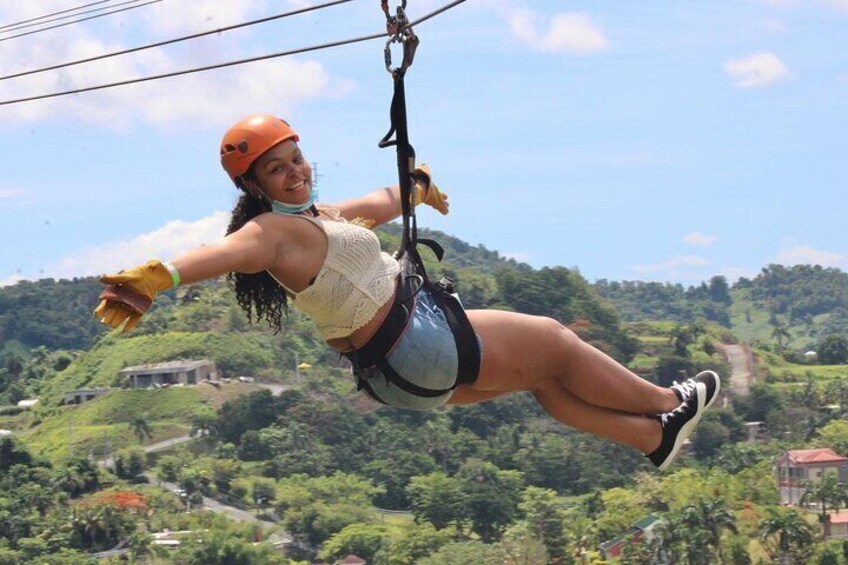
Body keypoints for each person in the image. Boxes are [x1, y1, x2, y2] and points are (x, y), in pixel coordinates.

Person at [94, 114, 720, 470]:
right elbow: (225, 254)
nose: (296, 170)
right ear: (255, 187)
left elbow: (379, 202)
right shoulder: (272, 232)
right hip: (415, 346)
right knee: (555, 340)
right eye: (278, 168)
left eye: (297, 157)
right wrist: (161, 277)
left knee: (544, 379)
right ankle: (672, 401)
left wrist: (416, 188)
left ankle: (652, 437)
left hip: (395, 376)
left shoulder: (320, 218)